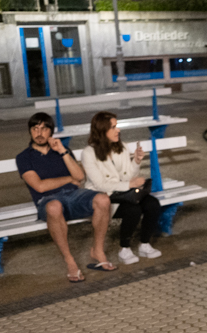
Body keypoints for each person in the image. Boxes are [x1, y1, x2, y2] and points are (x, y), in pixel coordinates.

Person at [16, 112, 115, 282]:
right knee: (54, 207)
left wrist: (62, 151)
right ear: (30, 131)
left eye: (44, 129)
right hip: (47, 201)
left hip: (74, 196)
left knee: (103, 199)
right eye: (35, 129)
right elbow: (39, 186)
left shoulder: (63, 150)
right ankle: (70, 261)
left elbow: (80, 176)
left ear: (51, 131)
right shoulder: (24, 157)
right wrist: (69, 179)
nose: (39, 133)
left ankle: (97, 251)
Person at [81, 111, 163, 265]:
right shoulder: (88, 153)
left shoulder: (122, 147)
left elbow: (128, 176)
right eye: (113, 127)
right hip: (103, 196)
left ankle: (144, 244)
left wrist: (136, 161)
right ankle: (124, 249)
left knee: (153, 204)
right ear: (102, 130)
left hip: (123, 192)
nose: (118, 130)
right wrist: (129, 185)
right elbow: (100, 184)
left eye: (116, 126)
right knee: (133, 210)